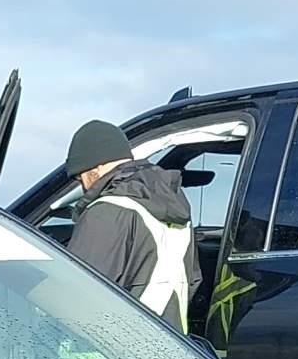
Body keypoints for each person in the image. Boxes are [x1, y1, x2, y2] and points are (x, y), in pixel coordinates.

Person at [61, 119, 197, 332]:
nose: (84, 186)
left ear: (94, 167)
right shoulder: (175, 206)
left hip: (107, 354)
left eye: (80, 177)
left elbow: (76, 294)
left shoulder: (106, 211)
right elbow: (193, 280)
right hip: (170, 349)